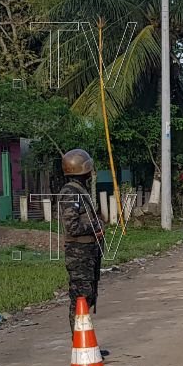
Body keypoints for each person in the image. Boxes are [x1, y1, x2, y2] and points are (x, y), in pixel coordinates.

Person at [57, 149, 109, 352]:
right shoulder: (70, 193)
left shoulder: (80, 190)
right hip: (79, 253)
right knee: (80, 298)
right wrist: (96, 226)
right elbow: (72, 226)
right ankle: (81, 346)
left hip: (88, 252)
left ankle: (86, 344)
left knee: (88, 296)